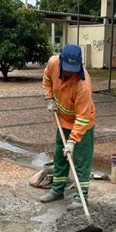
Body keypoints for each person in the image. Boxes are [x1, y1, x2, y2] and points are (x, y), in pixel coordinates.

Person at [41, 43, 96, 211]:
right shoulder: (52, 63)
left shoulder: (83, 85)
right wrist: (49, 98)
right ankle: (57, 191)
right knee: (60, 157)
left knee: (80, 161)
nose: (70, 72)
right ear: (61, 61)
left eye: (74, 68)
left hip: (82, 124)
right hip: (62, 120)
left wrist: (72, 141)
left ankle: (81, 197)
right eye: (67, 68)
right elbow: (47, 80)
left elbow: (83, 117)